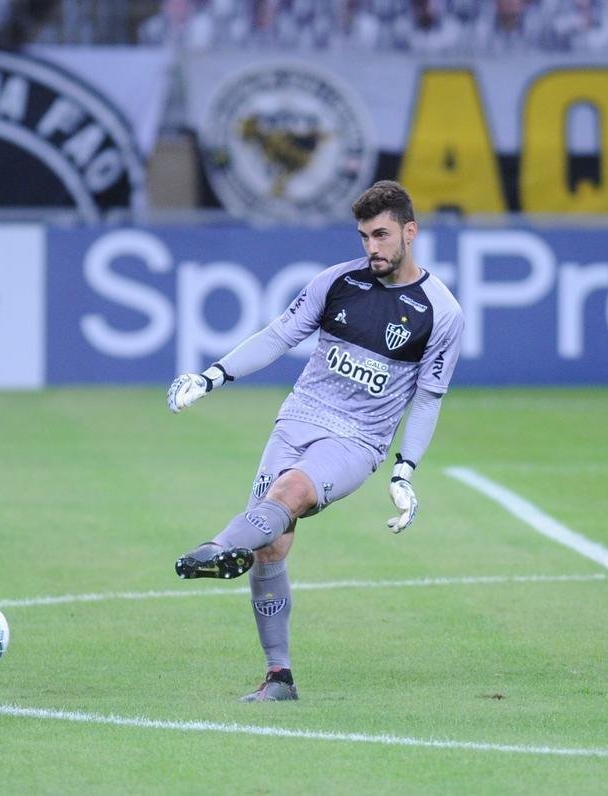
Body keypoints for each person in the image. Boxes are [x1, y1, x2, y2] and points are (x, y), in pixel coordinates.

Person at [166, 180, 464, 701]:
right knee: (272, 546)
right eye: (364, 236)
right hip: (298, 419)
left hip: (358, 439)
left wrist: (403, 471)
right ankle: (279, 677)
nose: (371, 247)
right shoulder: (336, 283)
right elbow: (279, 335)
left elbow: (429, 399)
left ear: (409, 233)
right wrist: (213, 375)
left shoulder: (441, 312)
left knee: (289, 495)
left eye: (381, 235)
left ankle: (219, 547)